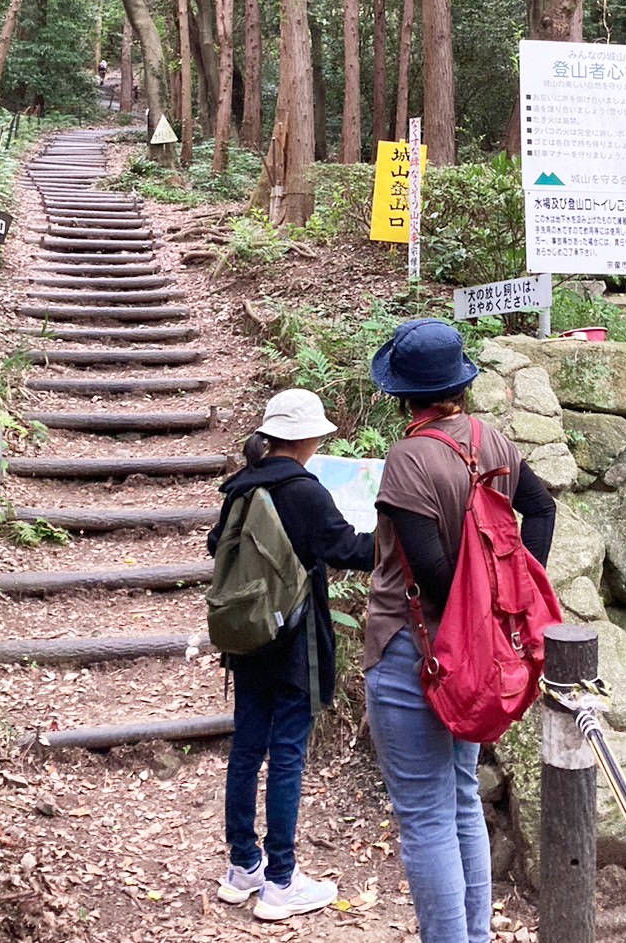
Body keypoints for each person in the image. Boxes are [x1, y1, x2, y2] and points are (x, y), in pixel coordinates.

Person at [364, 320, 557, 943]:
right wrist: (507, 604)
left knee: (424, 816)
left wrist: (464, 621)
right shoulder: (491, 440)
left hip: (413, 654)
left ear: (403, 395)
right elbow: (543, 507)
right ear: (460, 384)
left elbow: (434, 575)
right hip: (481, 657)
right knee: (463, 797)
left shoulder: (408, 460)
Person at [208, 388, 375, 920]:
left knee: (246, 747)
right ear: (306, 439)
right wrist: (395, 532)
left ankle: (243, 867)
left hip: (248, 633)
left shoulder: (240, 485)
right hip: (295, 638)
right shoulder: (305, 490)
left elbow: (217, 546)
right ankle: (281, 879)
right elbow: (349, 550)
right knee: (287, 755)